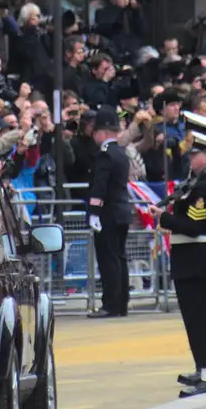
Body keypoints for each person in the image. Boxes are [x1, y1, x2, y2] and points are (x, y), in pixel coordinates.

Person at [163, 121, 206, 397]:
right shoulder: (199, 184)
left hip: (198, 261)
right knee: (196, 319)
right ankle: (205, 368)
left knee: (203, 320)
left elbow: (194, 226)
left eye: (195, 154)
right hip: (191, 262)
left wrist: (164, 218)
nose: (190, 157)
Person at [84, 108, 133, 319]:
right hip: (122, 211)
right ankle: (121, 303)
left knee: (108, 259)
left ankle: (111, 304)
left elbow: (99, 187)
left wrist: (94, 212)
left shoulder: (104, 155)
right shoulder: (122, 153)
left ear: (102, 133)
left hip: (108, 213)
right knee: (120, 258)